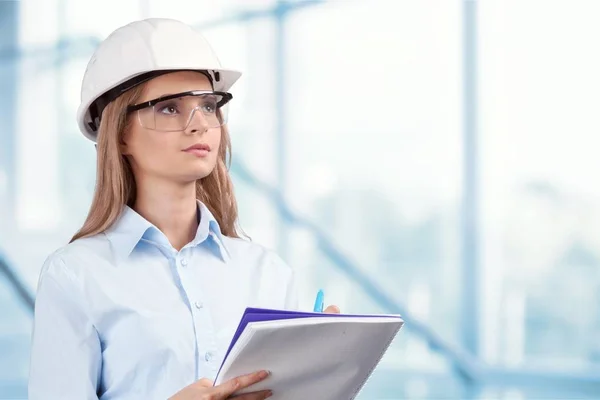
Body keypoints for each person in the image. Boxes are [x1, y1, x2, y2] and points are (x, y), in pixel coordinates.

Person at [28, 18, 339, 400]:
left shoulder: (267, 272)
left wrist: (326, 373)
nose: (199, 125)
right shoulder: (76, 277)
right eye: (170, 109)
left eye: (208, 106)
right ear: (119, 133)